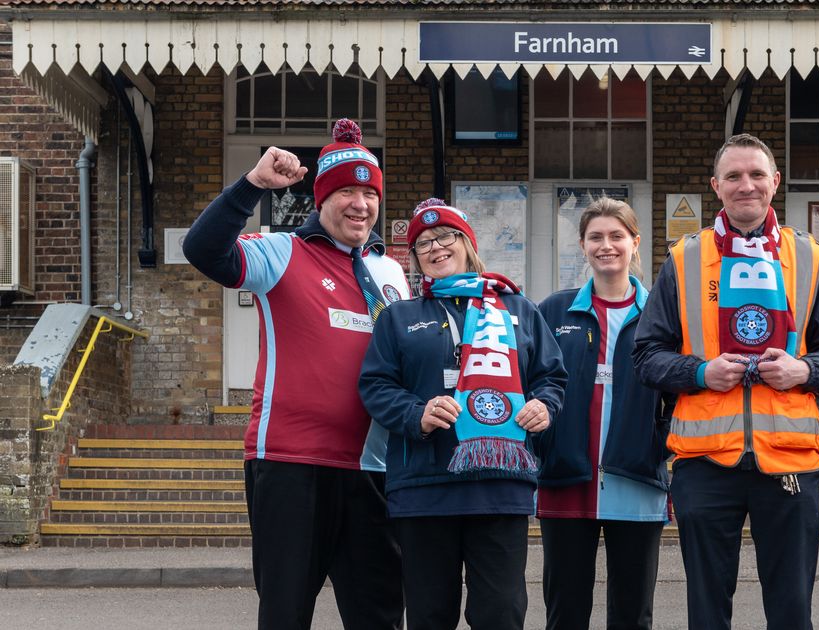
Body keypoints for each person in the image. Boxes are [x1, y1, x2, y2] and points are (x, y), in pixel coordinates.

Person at [182, 119, 407, 630]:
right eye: (347, 191)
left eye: (369, 192)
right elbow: (202, 250)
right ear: (321, 199)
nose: (361, 204)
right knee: (285, 613)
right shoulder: (282, 252)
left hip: (373, 469)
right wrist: (252, 185)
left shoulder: (391, 273)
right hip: (292, 462)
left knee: (380, 615)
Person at [633, 133, 819, 630]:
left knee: (792, 608)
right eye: (733, 176)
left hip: (791, 456)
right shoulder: (684, 259)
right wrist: (698, 372)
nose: (746, 185)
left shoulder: (811, 256)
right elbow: (645, 356)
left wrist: (805, 370)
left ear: (775, 182)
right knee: (707, 609)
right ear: (716, 186)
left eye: (756, 174)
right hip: (705, 462)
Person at [358, 198, 567, 630]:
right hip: (422, 488)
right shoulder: (399, 318)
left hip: (500, 487)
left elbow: (552, 377)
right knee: (430, 615)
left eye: (445, 237)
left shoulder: (517, 310)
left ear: (467, 242)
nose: (435, 248)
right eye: (422, 244)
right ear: (414, 259)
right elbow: (374, 387)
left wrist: (543, 405)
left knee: (501, 614)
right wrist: (416, 412)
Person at [535, 199, 671, 630]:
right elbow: (532, 383)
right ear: (582, 244)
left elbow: (679, 389)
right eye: (596, 237)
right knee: (565, 610)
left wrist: (658, 443)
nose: (606, 245)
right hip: (565, 481)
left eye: (616, 236)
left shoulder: (662, 314)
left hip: (637, 481)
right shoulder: (553, 311)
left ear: (634, 242)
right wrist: (544, 443)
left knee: (632, 614)